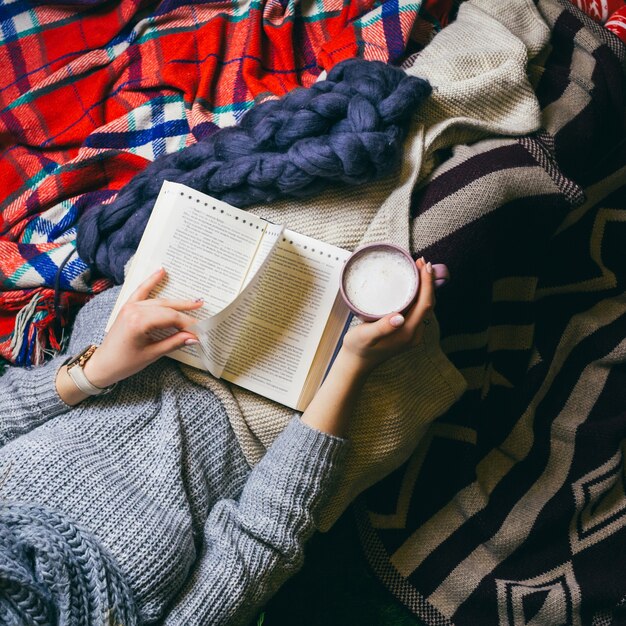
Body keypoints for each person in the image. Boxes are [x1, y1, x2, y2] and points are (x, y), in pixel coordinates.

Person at [0, 258, 436, 626]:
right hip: (272, 411)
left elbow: (9, 404)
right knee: (448, 226)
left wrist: (92, 371)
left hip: (135, 340)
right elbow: (261, 537)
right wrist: (353, 363)